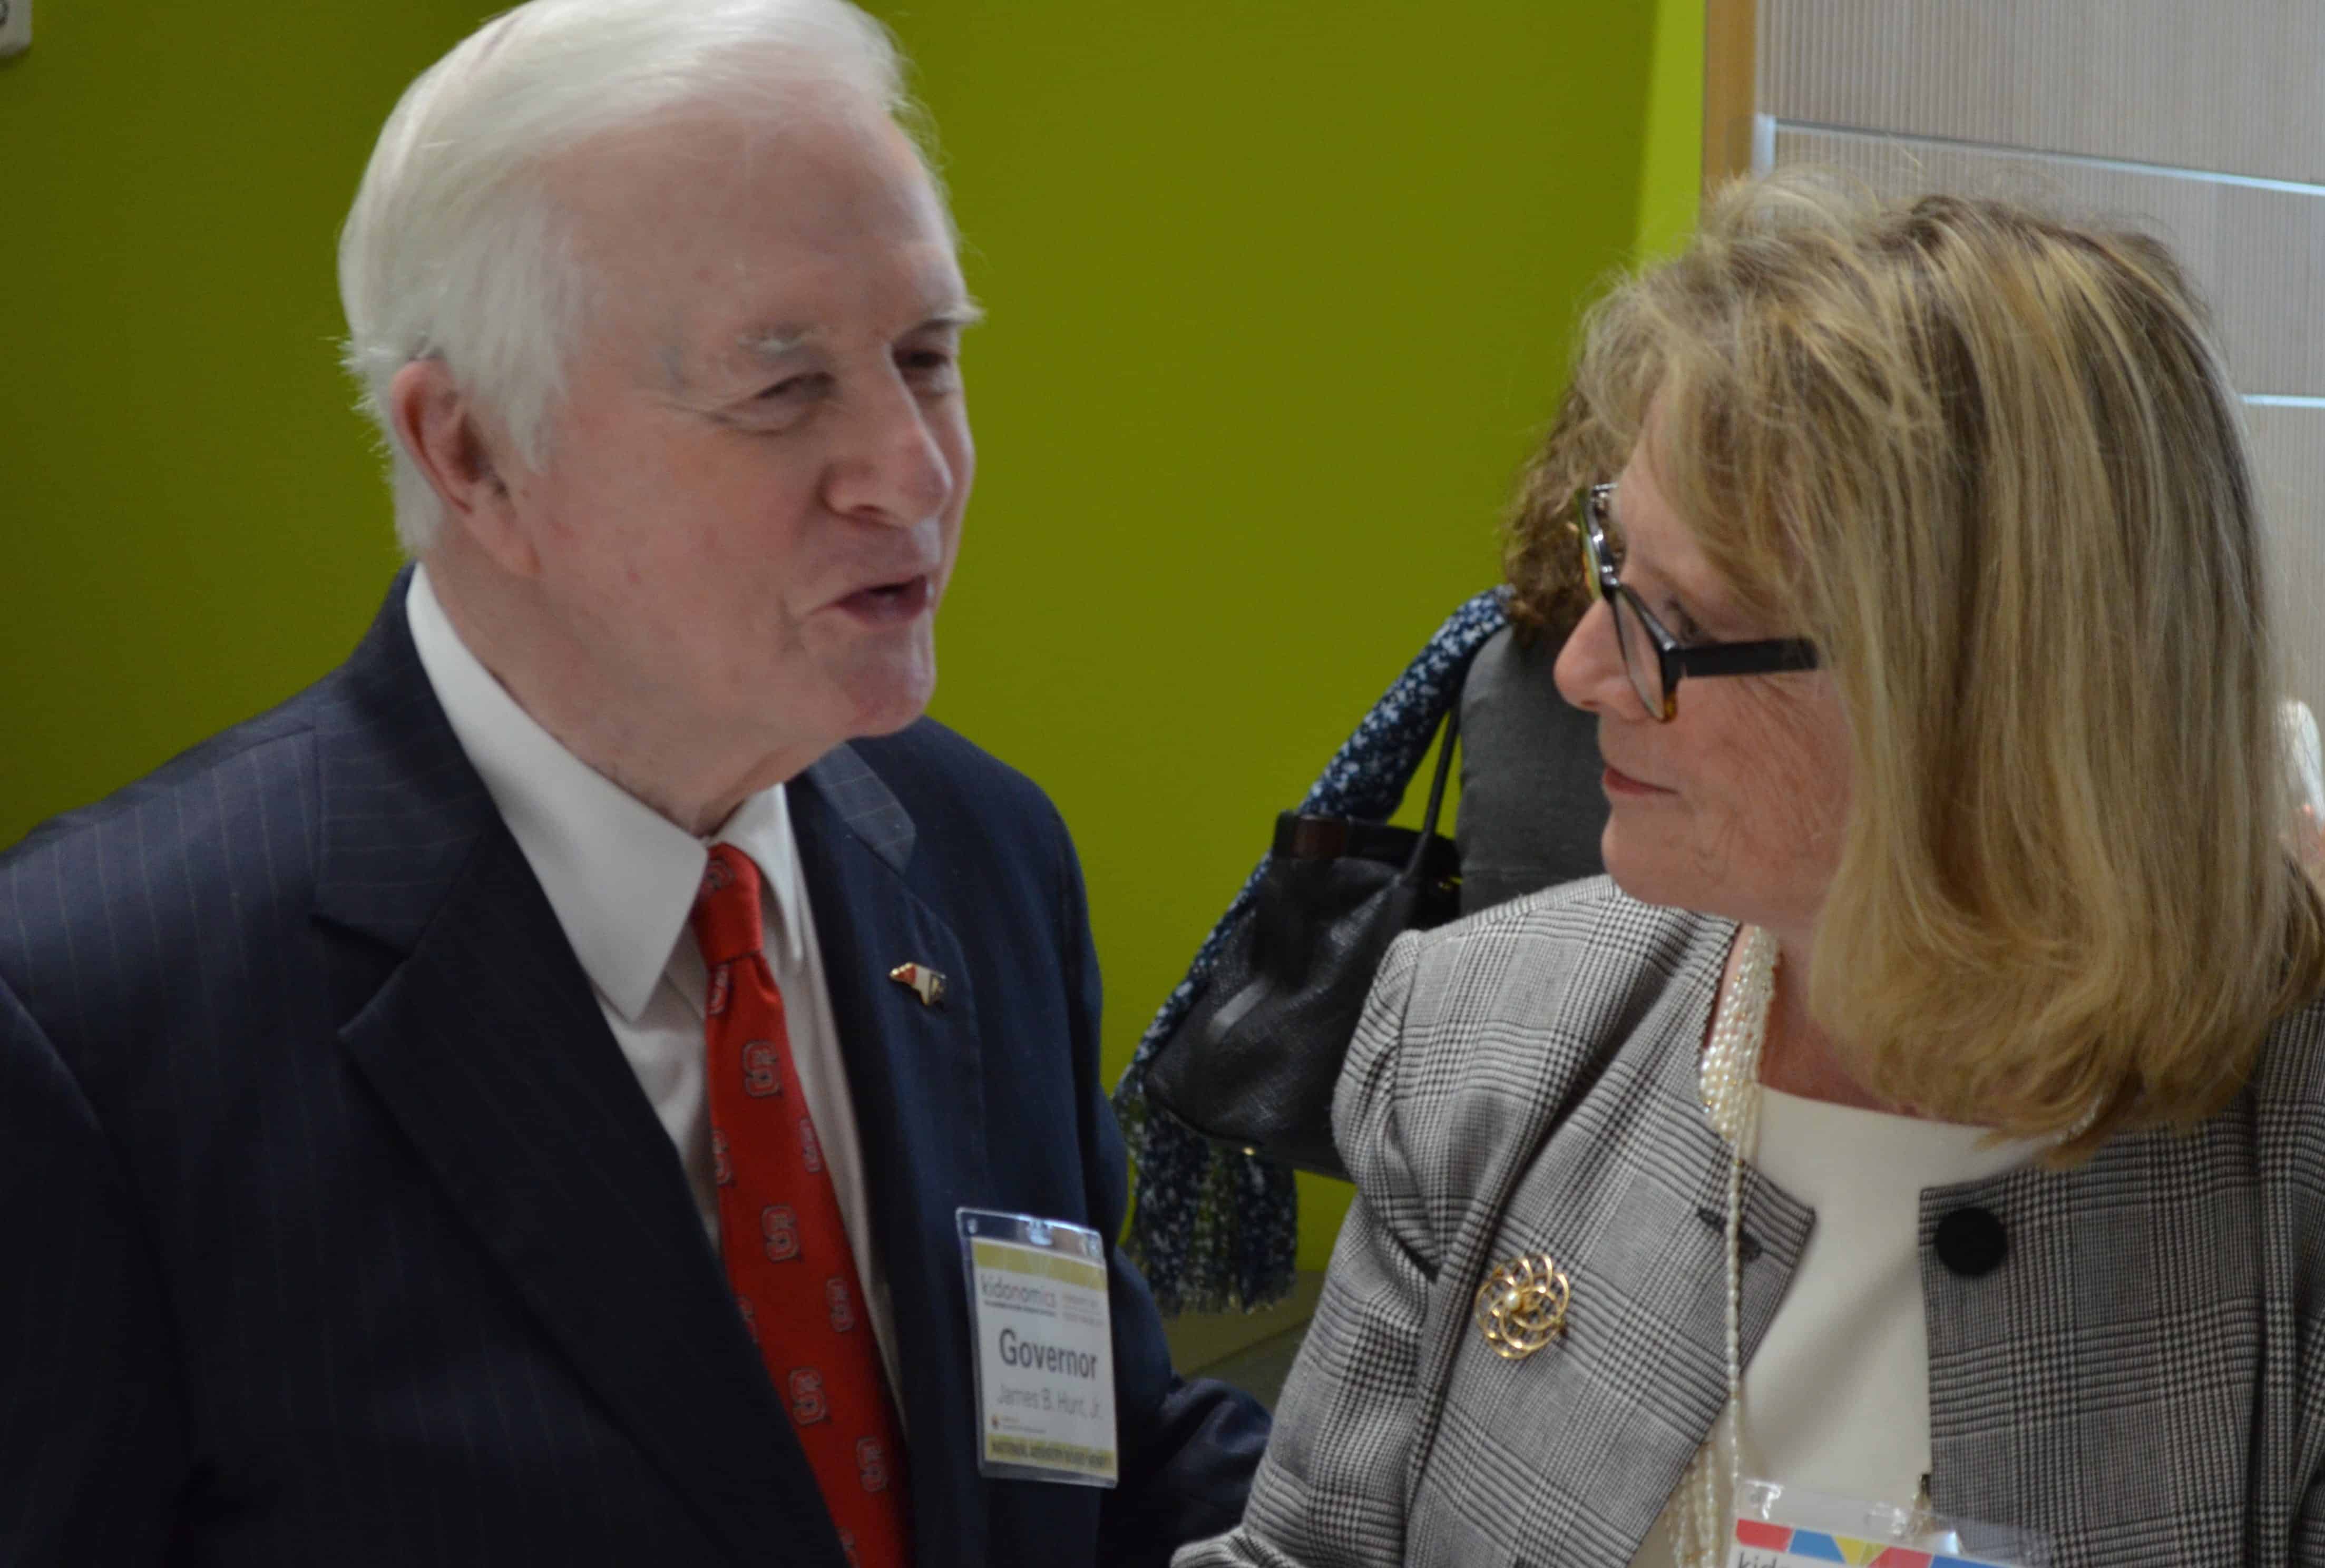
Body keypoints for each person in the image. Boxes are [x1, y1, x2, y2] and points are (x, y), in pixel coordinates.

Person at [0, 2, 1266, 1562]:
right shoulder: (90, 1019)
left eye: (925, 358)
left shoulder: (978, 851)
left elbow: (1090, 1456)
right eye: (783, 390)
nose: (914, 471)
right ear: (470, 453)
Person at [1177, 177, 2325, 1568]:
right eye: (1614, 562)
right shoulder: (1482, 1035)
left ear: (1984, 707)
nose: (1586, 670)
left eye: (1674, 623)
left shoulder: (2285, 1167)